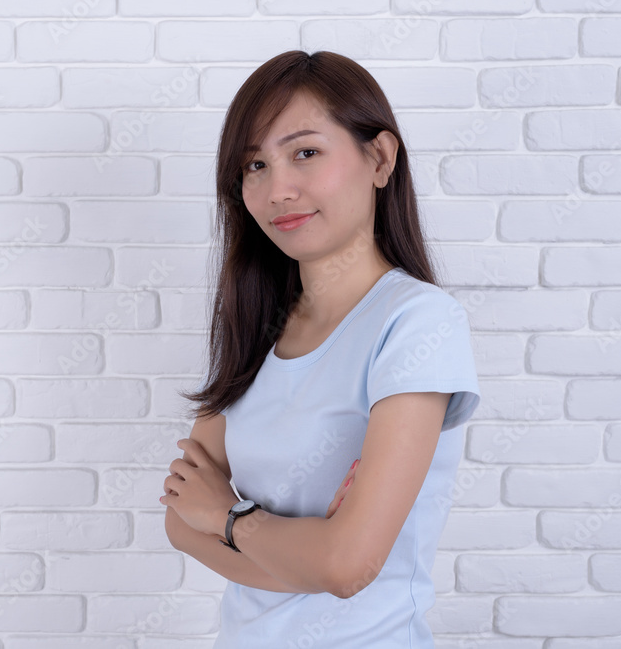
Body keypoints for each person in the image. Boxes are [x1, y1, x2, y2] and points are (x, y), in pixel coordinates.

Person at [161, 50, 481, 648]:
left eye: (305, 152)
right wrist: (309, 551)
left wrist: (226, 517)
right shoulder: (257, 327)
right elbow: (181, 520)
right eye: (254, 164)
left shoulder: (417, 323)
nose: (277, 188)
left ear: (380, 157)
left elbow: (345, 566)